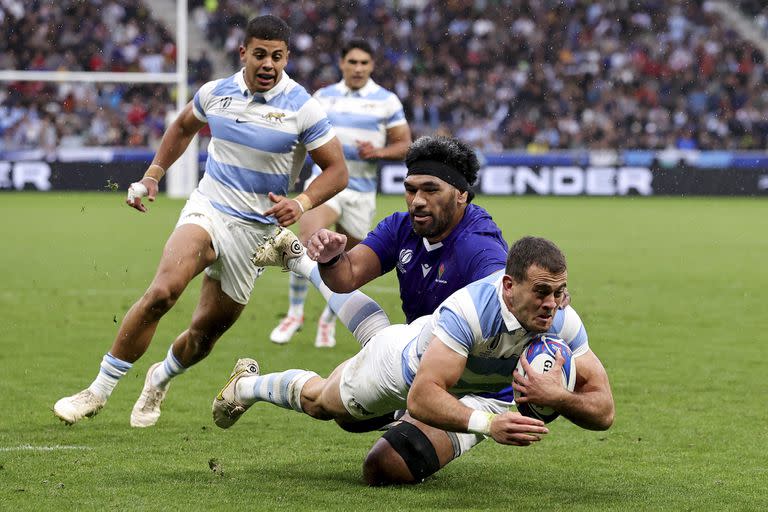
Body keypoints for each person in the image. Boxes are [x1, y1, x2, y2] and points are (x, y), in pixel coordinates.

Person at [52, 15, 348, 428]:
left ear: (287, 58)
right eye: (259, 54)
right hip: (208, 209)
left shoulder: (303, 106)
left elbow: (337, 171)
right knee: (162, 292)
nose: (268, 64)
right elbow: (182, 127)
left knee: (202, 337)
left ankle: (160, 377)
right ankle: (97, 392)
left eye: (277, 57)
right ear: (243, 52)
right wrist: (153, 175)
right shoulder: (216, 93)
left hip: (257, 237)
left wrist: (301, 203)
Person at [212, 236, 615, 486]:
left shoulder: (561, 319)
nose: (552, 304)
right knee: (325, 405)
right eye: (542, 291)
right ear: (509, 287)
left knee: (387, 468)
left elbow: (604, 411)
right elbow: (422, 397)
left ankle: (298, 259)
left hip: (483, 394)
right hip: (401, 370)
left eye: (559, 292)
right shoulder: (470, 311)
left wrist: (557, 397)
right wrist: (491, 426)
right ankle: (245, 385)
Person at [270, 39, 412, 348]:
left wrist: (379, 151)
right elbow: (303, 135)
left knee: (347, 265)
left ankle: (327, 319)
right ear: (342, 64)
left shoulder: (386, 101)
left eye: (364, 63)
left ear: (371, 66)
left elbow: (405, 144)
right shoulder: (324, 97)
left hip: (361, 194)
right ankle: (295, 314)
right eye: (353, 62)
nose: (358, 68)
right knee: (310, 241)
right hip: (328, 184)